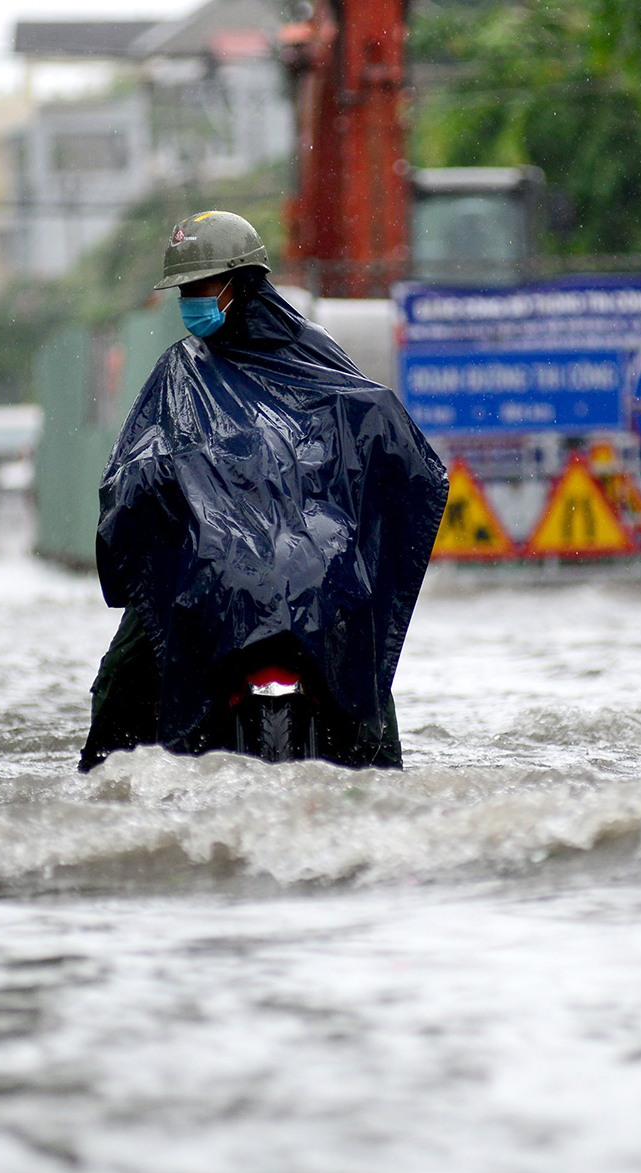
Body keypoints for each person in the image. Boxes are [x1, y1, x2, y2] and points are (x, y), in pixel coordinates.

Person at [79, 211, 447, 773]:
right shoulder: (180, 373)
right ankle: (98, 792)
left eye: (201, 287)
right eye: (185, 291)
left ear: (242, 282)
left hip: (315, 571)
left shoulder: (315, 356)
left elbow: (380, 436)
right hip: (212, 570)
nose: (190, 302)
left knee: (363, 680)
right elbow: (135, 466)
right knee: (120, 679)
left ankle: (390, 788)